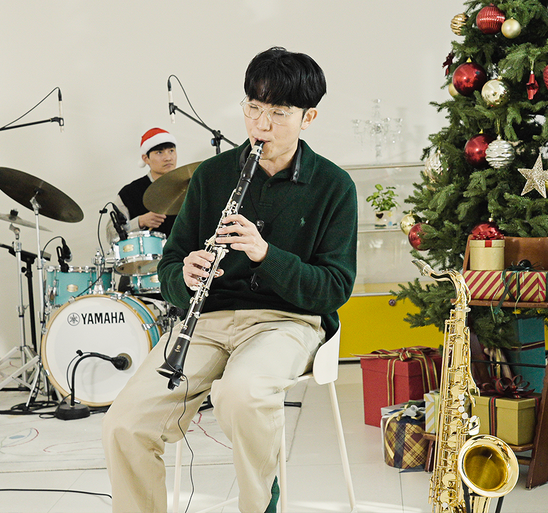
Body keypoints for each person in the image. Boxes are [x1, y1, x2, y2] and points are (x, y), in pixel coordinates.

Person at [102, 47, 357, 513]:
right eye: (253, 108)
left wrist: (266, 255)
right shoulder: (212, 176)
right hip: (206, 322)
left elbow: (334, 288)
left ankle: (261, 504)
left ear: (309, 117)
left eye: (278, 113)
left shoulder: (334, 186)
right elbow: (170, 266)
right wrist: (184, 274)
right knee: (124, 423)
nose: (261, 125)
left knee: (242, 394)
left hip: (286, 321)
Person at [106, 127, 178, 242]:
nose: (168, 158)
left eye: (171, 151)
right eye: (159, 152)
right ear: (146, 158)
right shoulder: (129, 193)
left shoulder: (190, 186)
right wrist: (140, 222)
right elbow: (111, 235)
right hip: (151, 253)